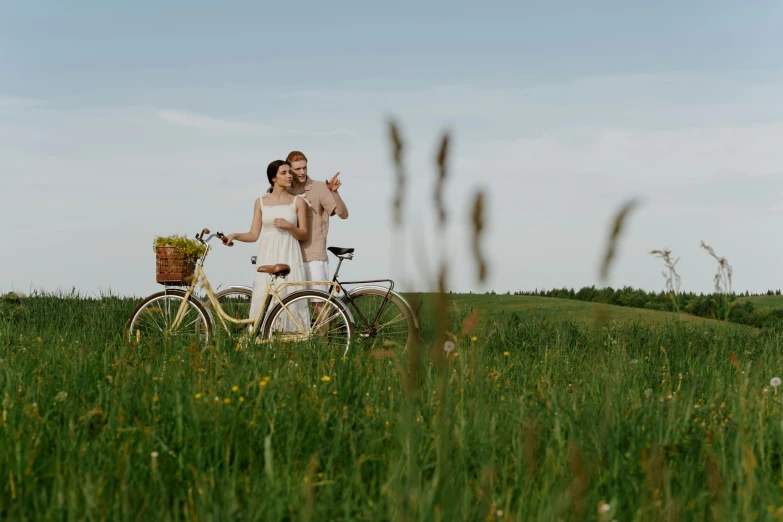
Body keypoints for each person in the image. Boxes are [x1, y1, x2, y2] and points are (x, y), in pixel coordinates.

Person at [223, 160, 309, 331]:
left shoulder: (298, 201)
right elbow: (253, 235)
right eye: (284, 173)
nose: (289, 176)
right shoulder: (260, 202)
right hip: (267, 253)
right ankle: (265, 335)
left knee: (289, 294)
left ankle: (293, 337)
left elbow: (304, 234)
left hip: (289, 252)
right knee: (265, 294)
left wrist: (290, 226)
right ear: (273, 178)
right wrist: (235, 235)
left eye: (289, 172)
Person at [286, 150, 349, 292]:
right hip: (291, 255)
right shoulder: (285, 191)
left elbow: (343, 214)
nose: (302, 172)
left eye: (304, 167)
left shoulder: (320, 188)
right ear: (289, 170)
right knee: (292, 303)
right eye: (297, 169)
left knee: (318, 302)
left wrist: (334, 192)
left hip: (314, 254)